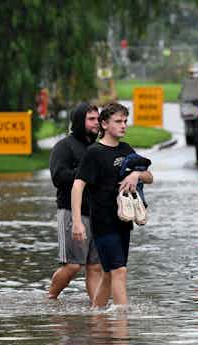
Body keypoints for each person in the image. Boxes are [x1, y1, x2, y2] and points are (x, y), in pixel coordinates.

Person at [71, 103, 153, 307]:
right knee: (119, 271)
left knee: (109, 274)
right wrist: (76, 222)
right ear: (104, 124)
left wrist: (136, 174)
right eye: (118, 121)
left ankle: (96, 316)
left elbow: (150, 177)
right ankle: (121, 322)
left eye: (125, 121)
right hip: (102, 223)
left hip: (124, 221)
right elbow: (77, 186)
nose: (124, 125)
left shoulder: (126, 150)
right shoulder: (94, 152)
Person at [48, 102, 102, 300]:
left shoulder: (98, 147)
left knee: (95, 267)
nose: (97, 123)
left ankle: (97, 310)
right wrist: (86, 173)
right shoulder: (64, 147)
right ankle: (50, 299)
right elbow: (58, 177)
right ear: (79, 121)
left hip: (97, 213)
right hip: (71, 213)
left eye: (98, 118)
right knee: (73, 265)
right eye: (91, 119)